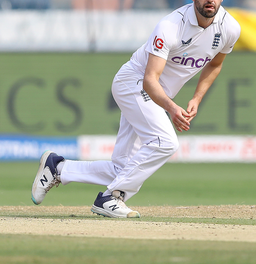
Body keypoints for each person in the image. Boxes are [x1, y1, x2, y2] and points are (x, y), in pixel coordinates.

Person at [31, 0, 241, 218]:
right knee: (165, 141)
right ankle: (111, 197)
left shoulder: (230, 28)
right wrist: (170, 107)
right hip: (135, 83)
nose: (211, 0)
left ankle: (58, 168)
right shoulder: (170, 26)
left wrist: (197, 98)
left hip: (155, 93)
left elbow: (215, 64)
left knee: (123, 169)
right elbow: (150, 80)